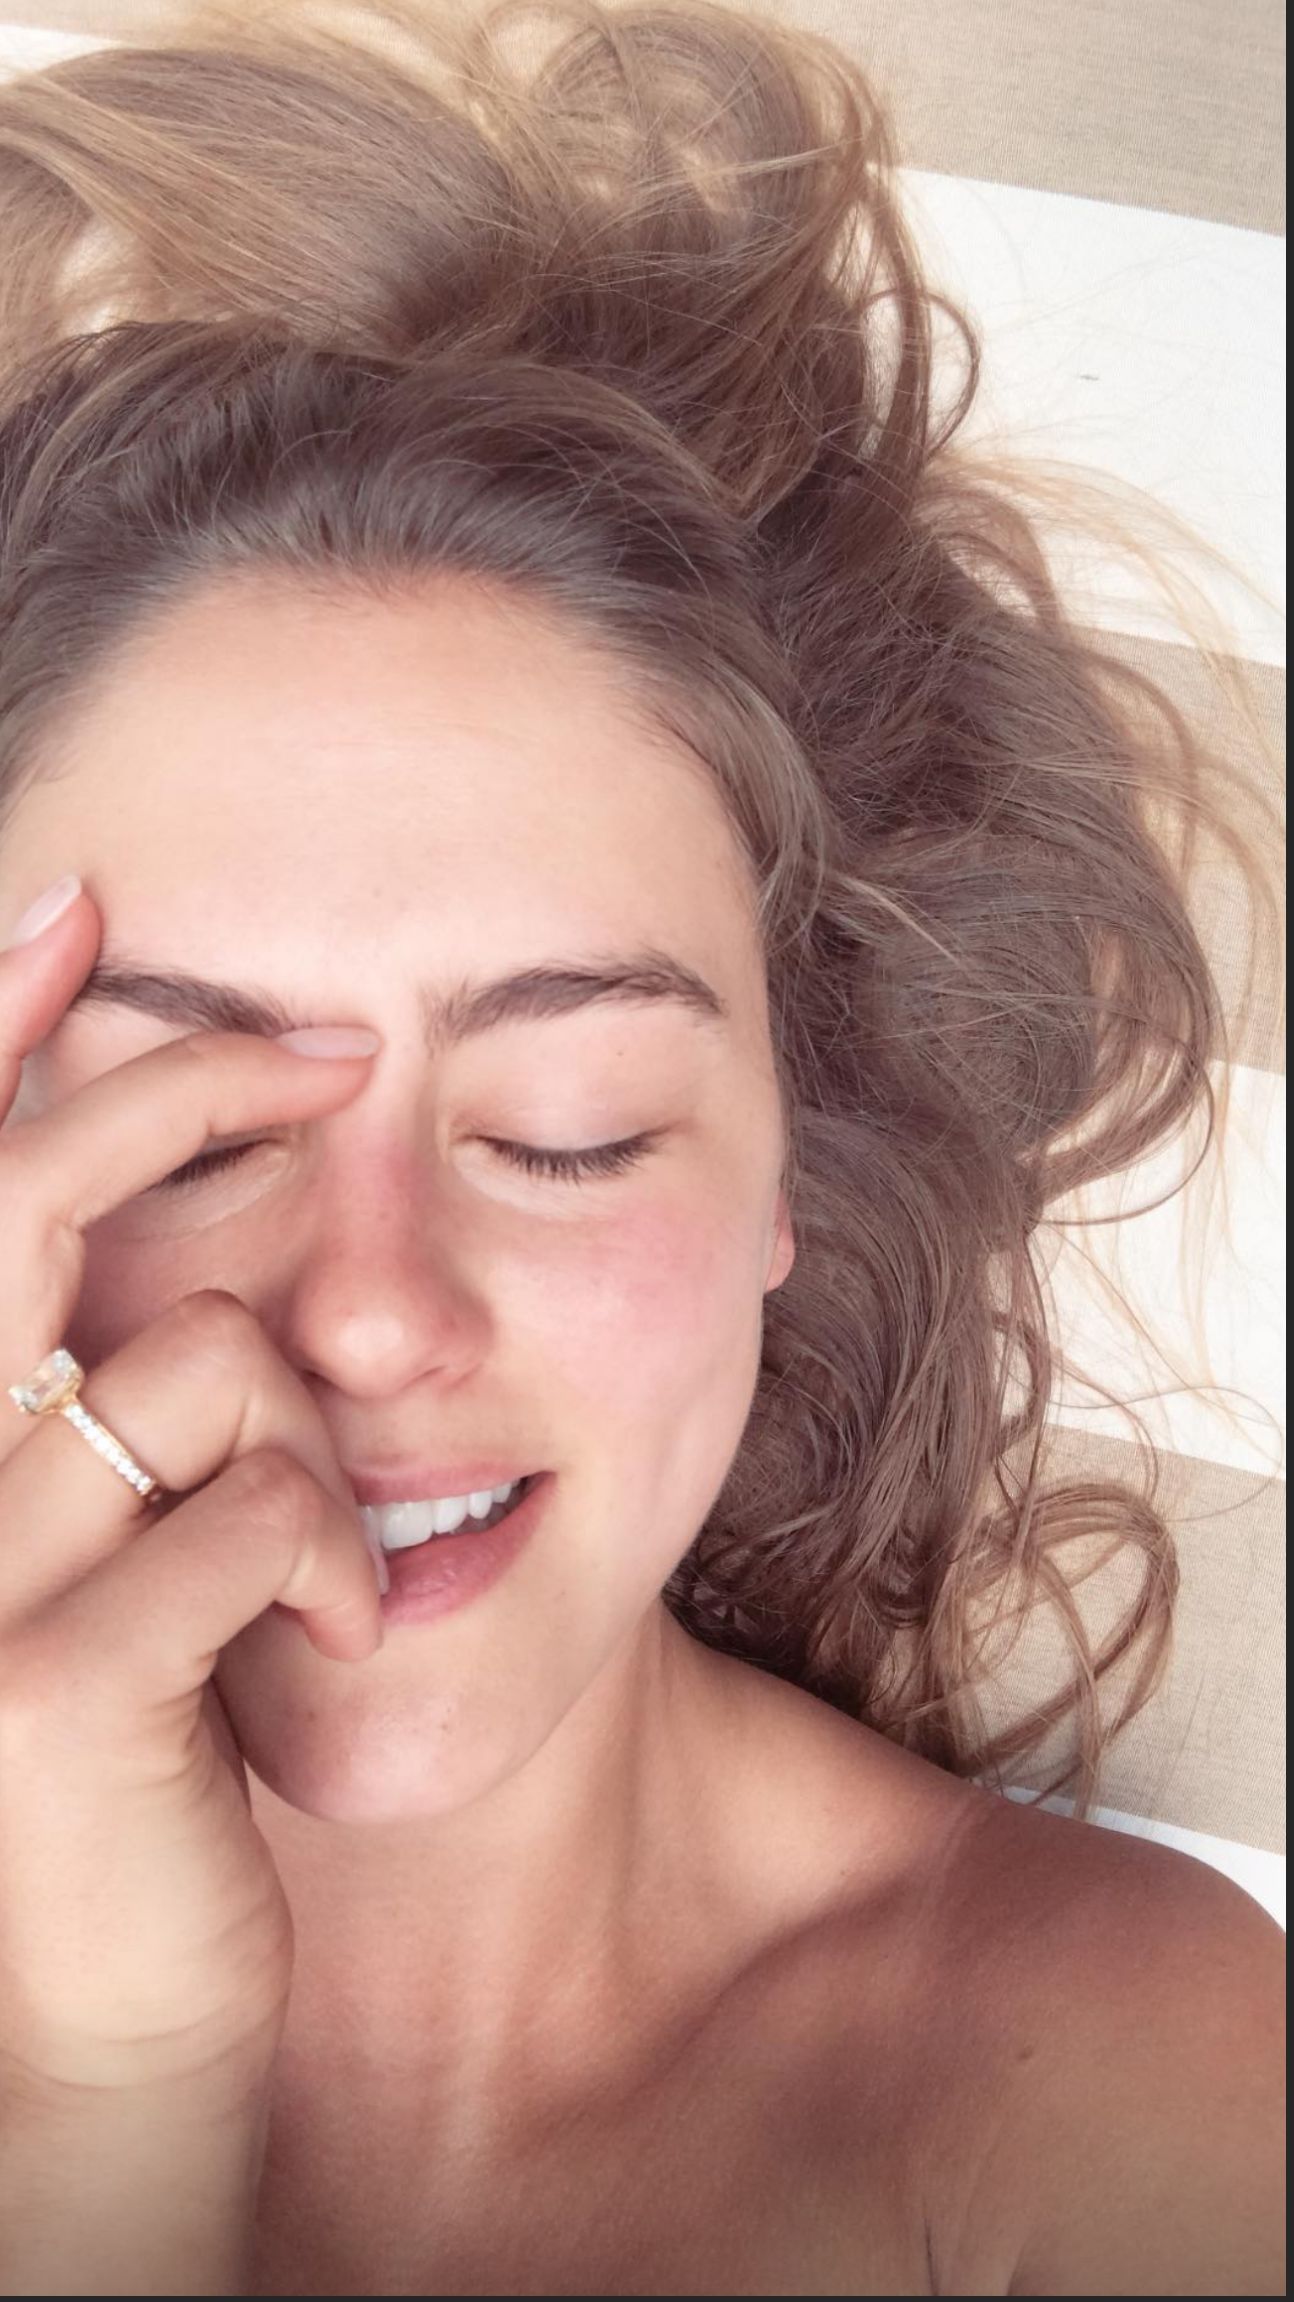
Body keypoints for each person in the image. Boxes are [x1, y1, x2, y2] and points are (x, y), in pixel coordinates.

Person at [0, 0, 1283, 2293]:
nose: (369, 1311)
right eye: (181, 1132)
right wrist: (99, 2099)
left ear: (791, 1161)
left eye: (567, 1131)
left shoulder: (1122, 2086)